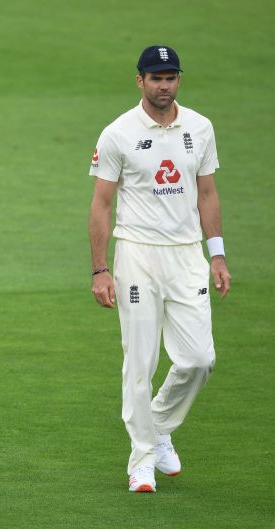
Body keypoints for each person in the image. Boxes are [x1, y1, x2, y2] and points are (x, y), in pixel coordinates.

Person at [88, 45, 231, 493]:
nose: (164, 86)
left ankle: (159, 425)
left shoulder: (200, 128)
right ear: (140, 81)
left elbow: (206, 194)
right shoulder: (118, 133)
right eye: (156, 78)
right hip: (137, 254)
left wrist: (218, 254)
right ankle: (142, 461)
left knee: (199, 359)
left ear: (178, 81)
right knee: (141, 360)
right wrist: (100, 269)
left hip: (188, 255)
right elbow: (102, 204)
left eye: (171, 77)